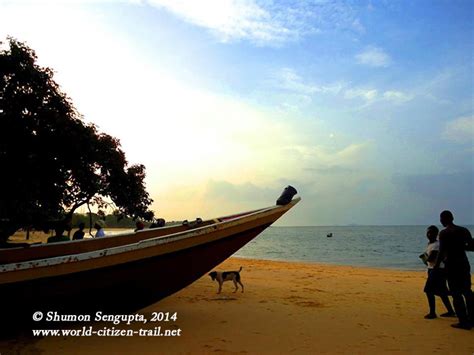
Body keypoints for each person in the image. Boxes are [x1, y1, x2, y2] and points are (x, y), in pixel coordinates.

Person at [435, 210, 474, 330]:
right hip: (463, 263)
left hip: (451, 265)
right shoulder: (463, 230)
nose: (440, 221)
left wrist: (436, 267)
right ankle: (472, 318)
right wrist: (461, 246)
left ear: (444, 219)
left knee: (456, 294)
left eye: (441, 219)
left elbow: (441, 252)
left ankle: (463, 321)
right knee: (467, 291)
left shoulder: (444, 233)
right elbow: (472, 246)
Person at [420, 225, 455, 319]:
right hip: (434, 269)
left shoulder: (436, 245)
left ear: (436, 234)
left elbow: (432, 258)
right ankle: (451, 311)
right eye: (428, 232)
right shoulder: (431, 244)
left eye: (432, 232)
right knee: (442, 292)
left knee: (428, 291)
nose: (429, 234)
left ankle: (432, 313)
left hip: (437, 270)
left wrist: (425, 258)